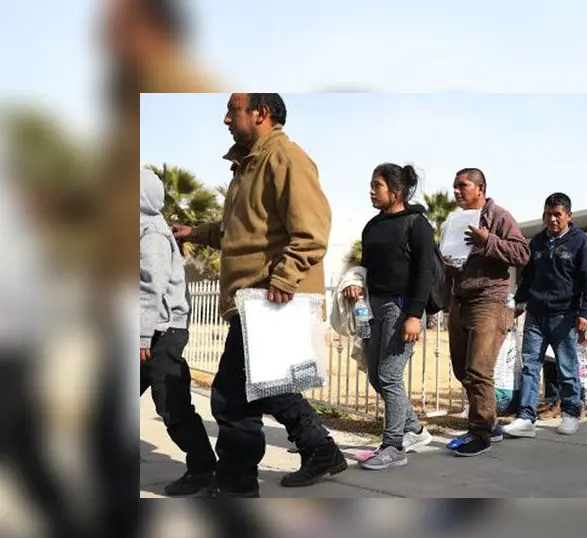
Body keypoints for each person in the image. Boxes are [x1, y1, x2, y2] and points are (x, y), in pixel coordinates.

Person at [173, 93, 346, 496]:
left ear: (261, 114)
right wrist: (195, 232)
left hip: (269, 299)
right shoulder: (248, 167)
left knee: (233, 399)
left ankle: (236, 488)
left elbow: (312, 232)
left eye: (233, 111)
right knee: (271, 385)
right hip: (254, 299)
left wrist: (282, 281)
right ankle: (320, 449)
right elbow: (240, 230)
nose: (226, 119)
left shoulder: (285, 158)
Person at [341, 163, 435, 470]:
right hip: (372, 308)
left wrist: (413, 316)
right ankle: (416, 430)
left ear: (396, 190)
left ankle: (394, 447)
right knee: (374, 374)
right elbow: (366, 269)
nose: (371, 190)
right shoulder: (372, 226)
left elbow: (424, 273)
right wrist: (355, 287)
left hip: (402, 309)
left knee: (390, 376)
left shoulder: (417, 223)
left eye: (376, 185)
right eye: (371, 184)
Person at [139, 168, 216, 495]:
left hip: (162, 331)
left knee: (172, 402)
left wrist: (141, 336)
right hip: (149, 329)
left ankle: (203, 469)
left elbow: (150, 288)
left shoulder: (151, 233)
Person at [444, 168, 530, 457]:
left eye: (463, 186)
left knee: (479, 369)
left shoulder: (499, 216)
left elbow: (522, 254)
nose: (456, 191)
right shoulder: (454, 220)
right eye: (454, 186)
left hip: (489, 300)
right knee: (462, 369)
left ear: (480, 188)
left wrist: (488, 241)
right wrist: (449, 265)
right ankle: (489, 423)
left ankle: (480, 433)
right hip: (460, 299)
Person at [504, 193, 587, 439]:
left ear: (569, 215)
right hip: (536, 314)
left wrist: (585, 312)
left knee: (567, 368)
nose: (552, 219)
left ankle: (570, 413)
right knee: (530, 366)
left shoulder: (580, 242)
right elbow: (528, 277)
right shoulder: (537, 241)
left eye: (558, 214)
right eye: (548, 214)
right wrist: (519, 302)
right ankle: (525, 418)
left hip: (564, 315)